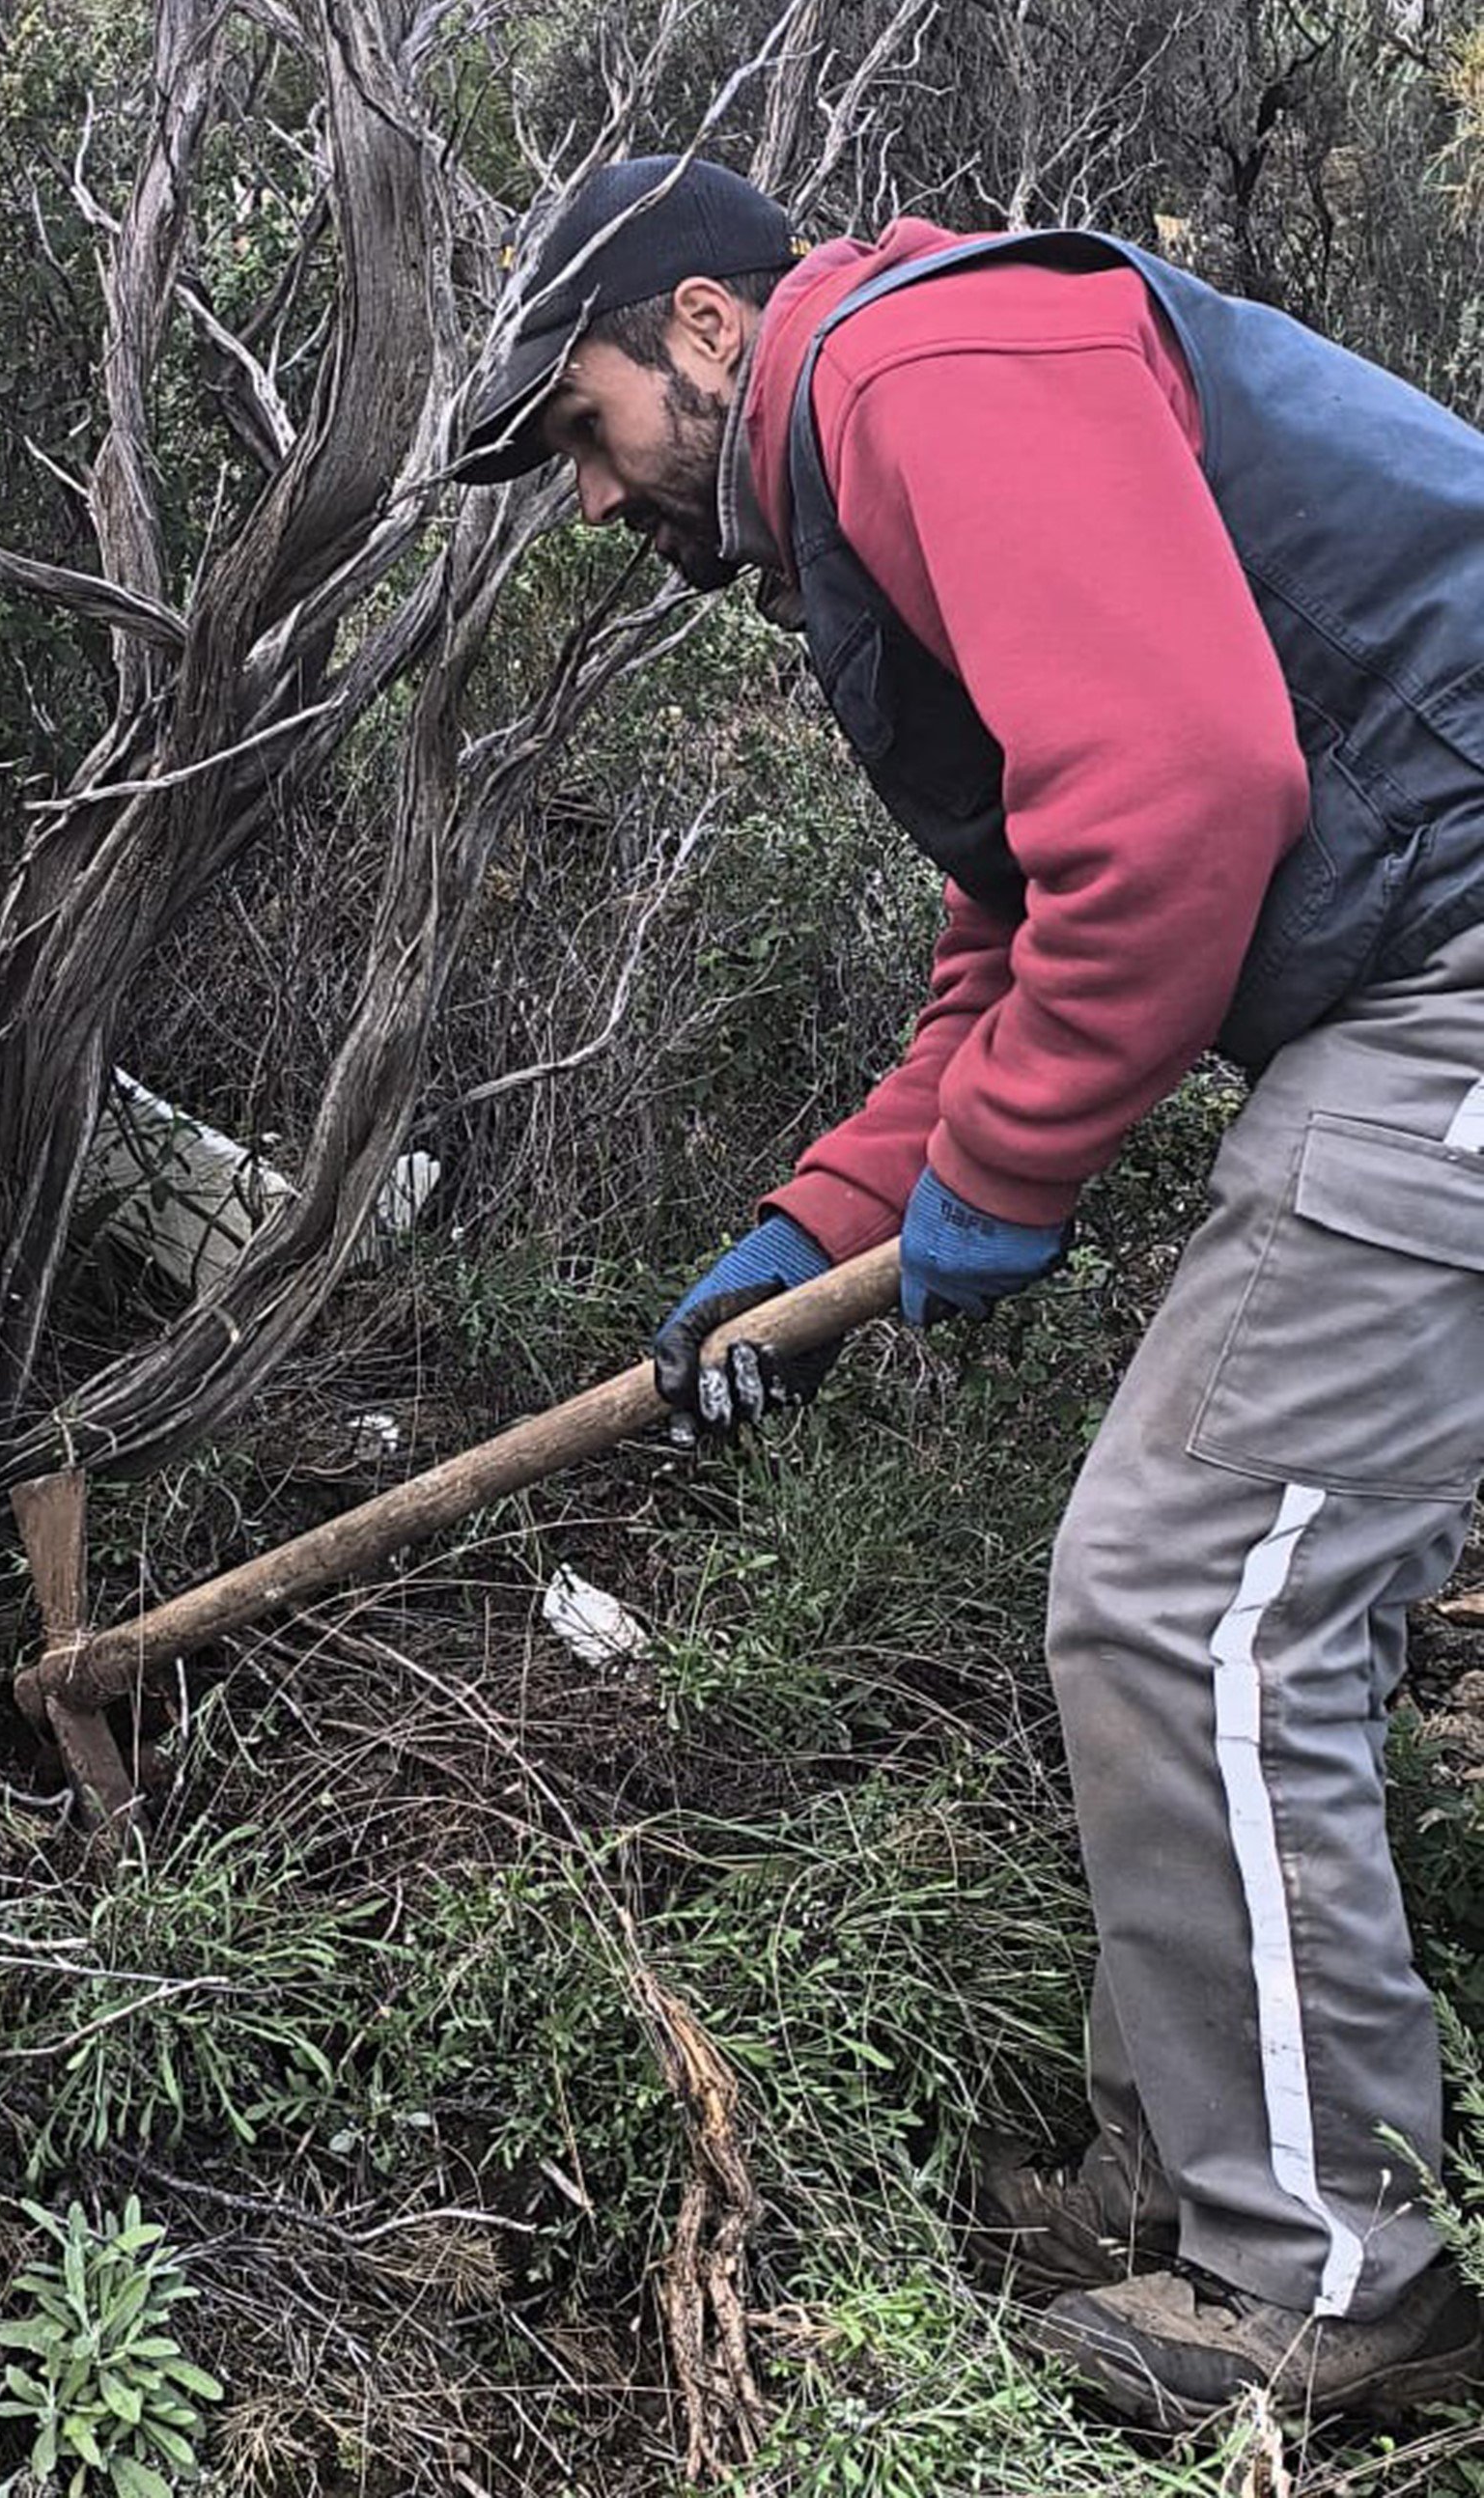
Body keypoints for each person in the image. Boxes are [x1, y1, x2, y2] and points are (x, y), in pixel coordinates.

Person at [459, 154, 1484, 2432]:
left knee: (1188, 1591)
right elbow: (1024, 930)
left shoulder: (925, 364)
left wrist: (1015, 1172)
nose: (596, 496)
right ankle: (1216, 2152)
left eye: (587, 426)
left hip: (1457, 974)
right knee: (1201, 1585)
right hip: (1408, 981)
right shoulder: (881, 456)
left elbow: (1188, 793)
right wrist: (816, 1233)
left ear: (708, 330)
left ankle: (1323, 2270)